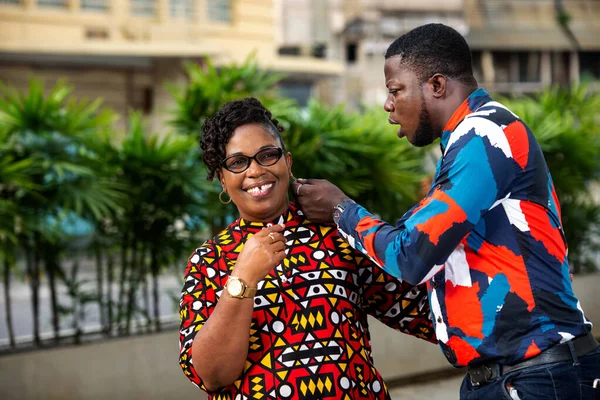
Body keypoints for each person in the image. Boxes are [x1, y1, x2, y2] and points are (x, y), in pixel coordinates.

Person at [292, 23, 599, 400]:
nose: (388, 104)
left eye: (396, 90)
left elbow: (412, 255)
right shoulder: (467, 143)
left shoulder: (486, 136)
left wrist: (340, 209)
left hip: (538, 377)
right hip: (510, 378)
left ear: (436, 86)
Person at [178, 97, 435, 400]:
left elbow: (420, 311)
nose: (255, 170)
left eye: (267, 155)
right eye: (237, 162)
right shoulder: (209, 260)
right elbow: (213, 375)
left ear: (287, 161)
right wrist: (243, 279)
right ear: (222, 178)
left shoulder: (336, 234)